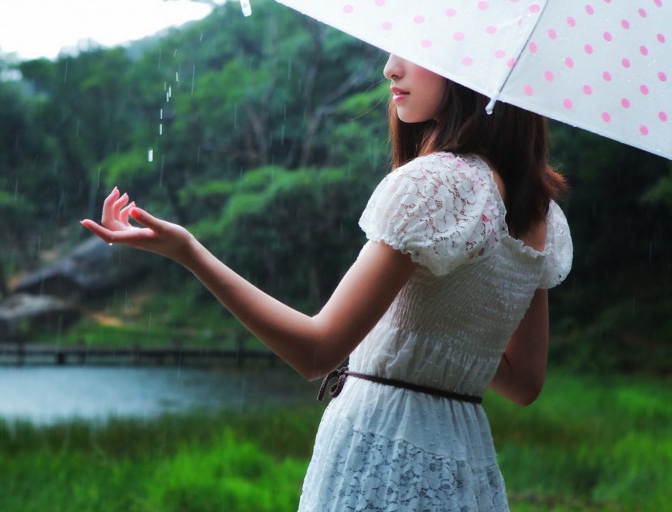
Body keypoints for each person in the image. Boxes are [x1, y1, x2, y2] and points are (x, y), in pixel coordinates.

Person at [81, 53, 572, 511]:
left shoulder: (440, 183)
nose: (390, 69)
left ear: (471, 67)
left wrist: (189, 252)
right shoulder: (539, 214)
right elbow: (524, 382)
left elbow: (316, 352)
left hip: (384, 445)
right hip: (464, 454)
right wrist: (442, 344)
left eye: (414, 54)